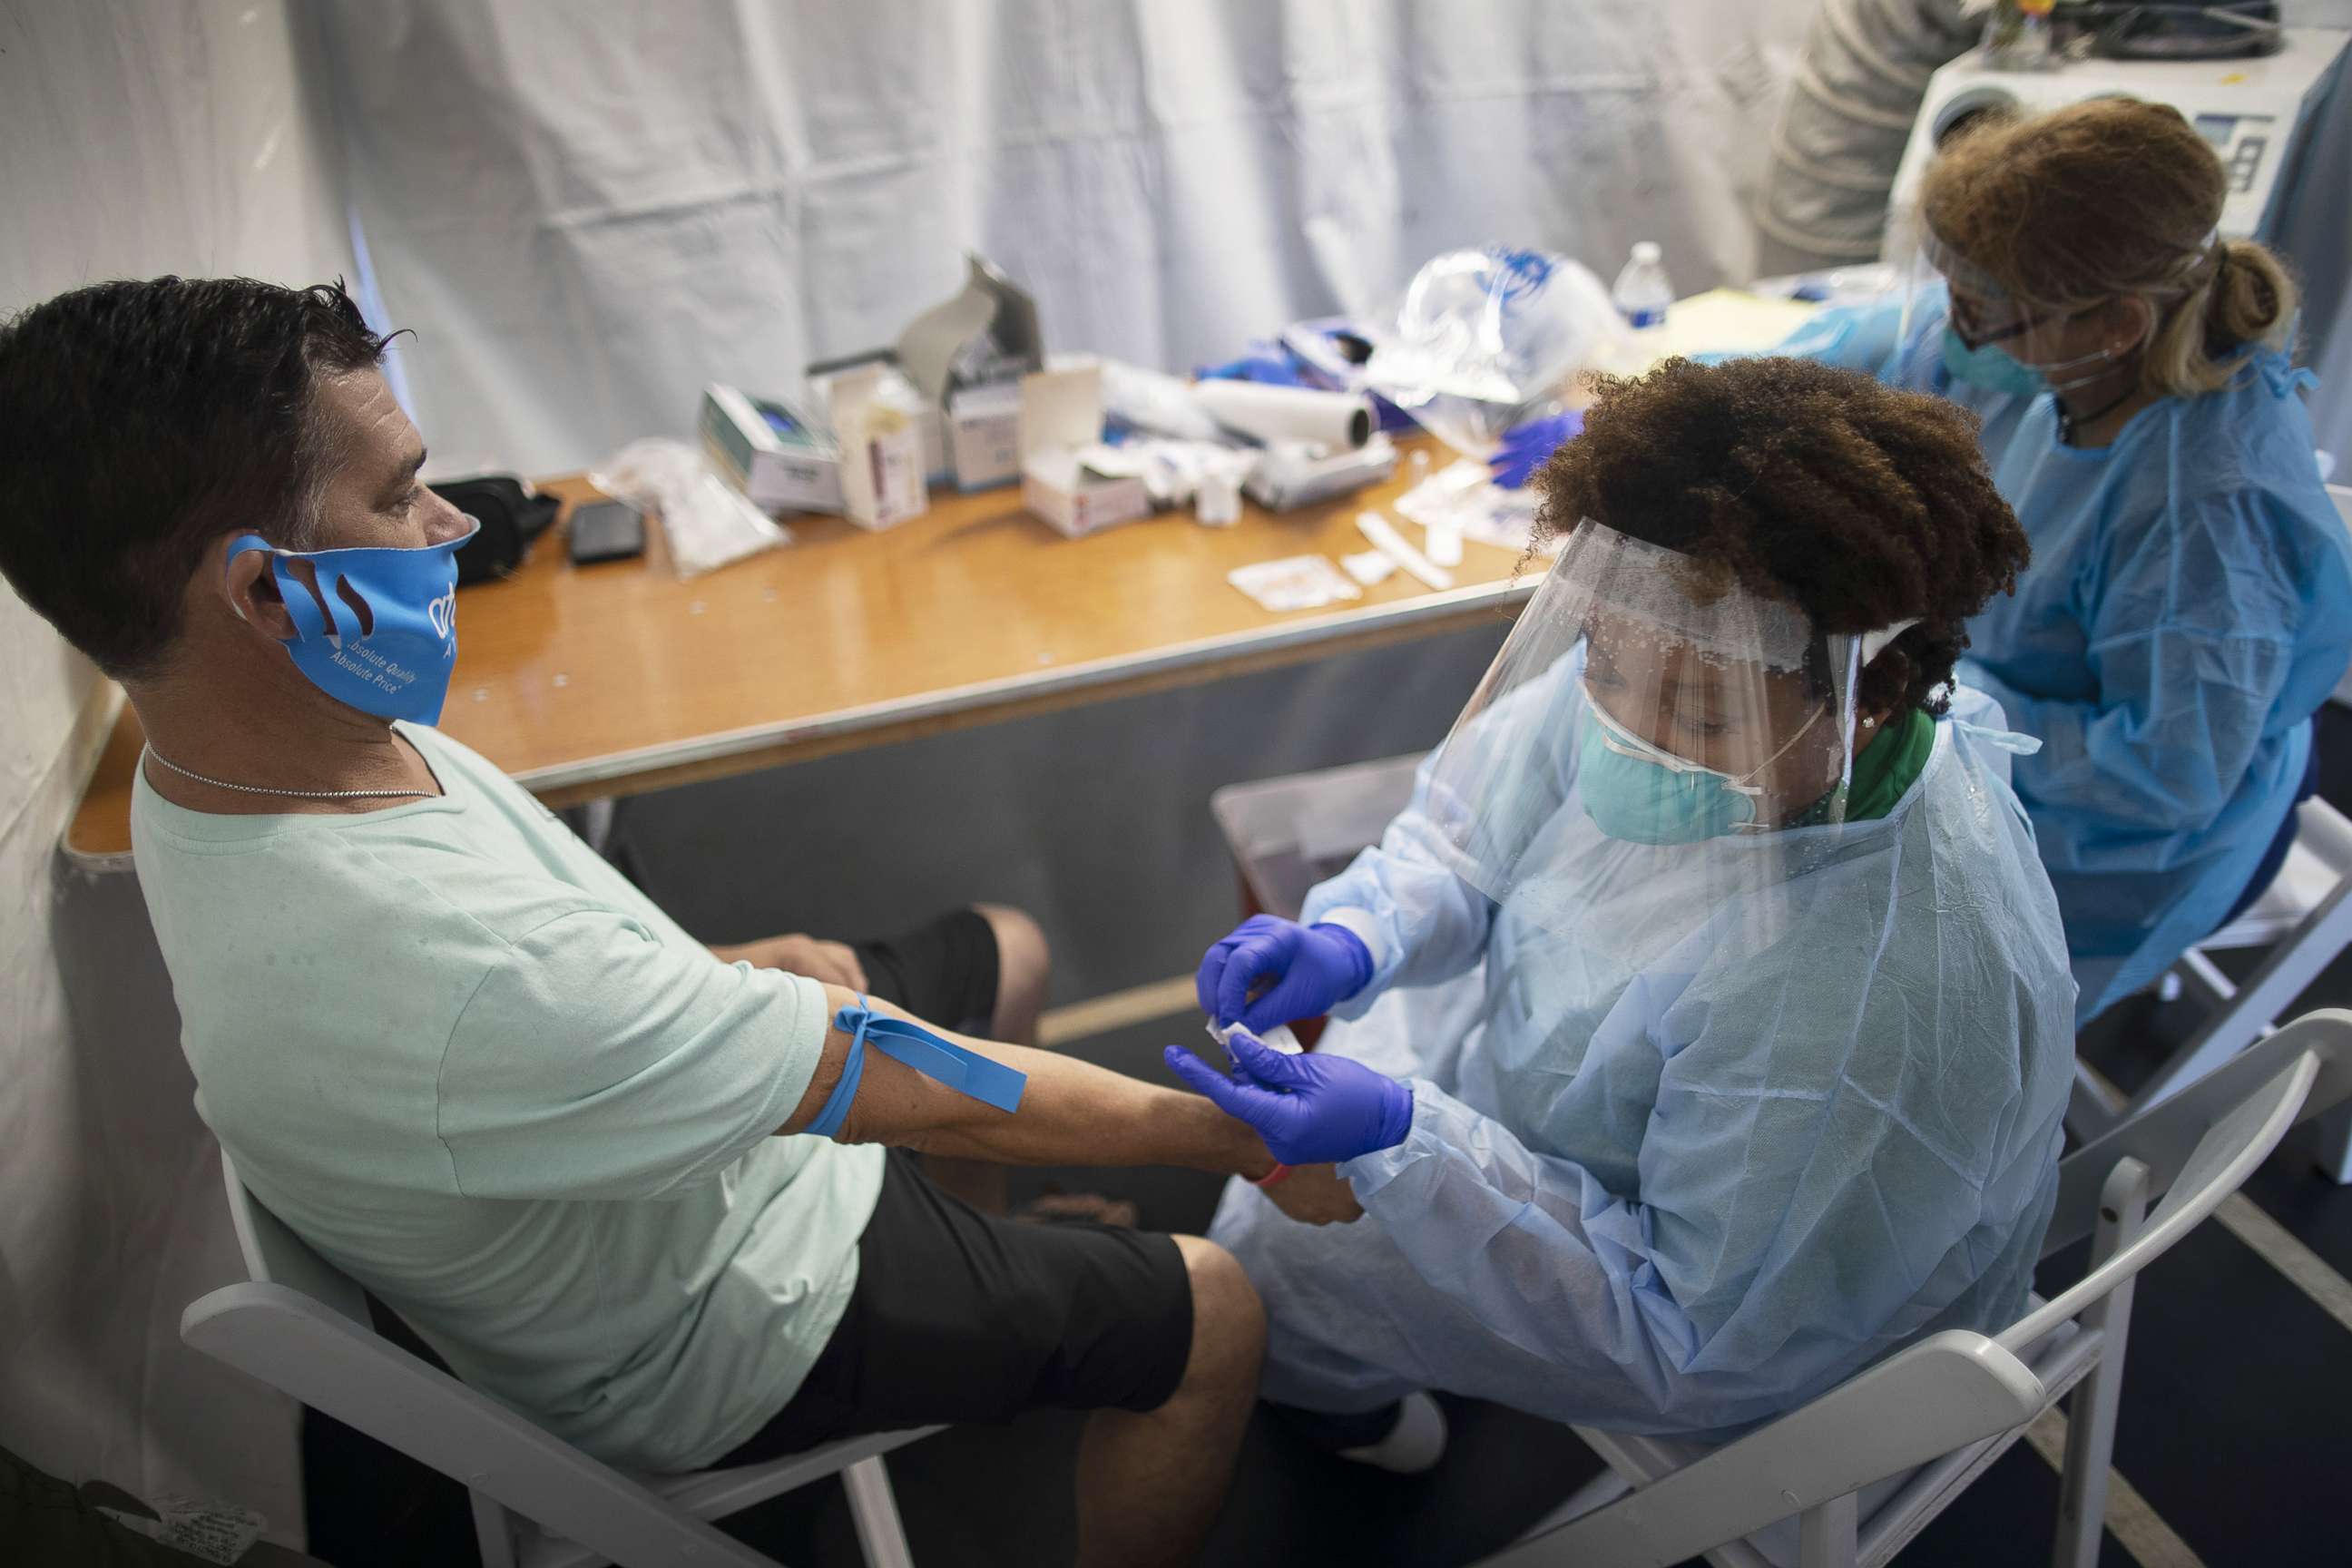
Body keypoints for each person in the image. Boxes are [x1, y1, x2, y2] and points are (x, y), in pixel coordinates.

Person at [0, 277, 1277, 1568]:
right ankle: (1017, 1317)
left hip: (624, 1167)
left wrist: (714, 975)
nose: (448, 524)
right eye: (396, 496)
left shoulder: (203, 775)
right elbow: (897, 1078)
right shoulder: (456, 970)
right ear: (268, 596)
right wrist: (1242, 1138)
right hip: (733, 1319)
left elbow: (530, 1001)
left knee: (1009, 945)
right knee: (1215, 1310)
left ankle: (994, 1289)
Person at [1172, 357, 2077, 1451]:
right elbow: (1469, 837)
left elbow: (1692, 1336)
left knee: (1268, 1274)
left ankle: (1342, 1416)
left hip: (1705, 1320)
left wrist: (1411, 1151)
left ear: (1871, 697)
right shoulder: (1687, 631)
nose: (1628, 731)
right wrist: (1358, 934)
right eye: (1602, 666)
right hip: (1542, 1103)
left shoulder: (1868, 1001)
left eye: (1700, 718)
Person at [1776, 100, 2352, 1022]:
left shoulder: (2207, 510)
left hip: (2120, 841)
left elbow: (2170, 773)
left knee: (1825, 990)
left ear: (2115, 322)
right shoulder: (2070, 357)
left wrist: (1923, 705)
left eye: (1982, 314)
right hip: (1975, 700)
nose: (1956, 334)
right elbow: (1899, 340)